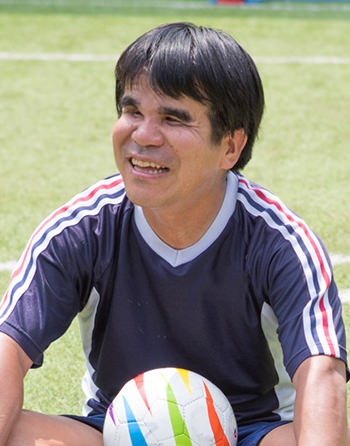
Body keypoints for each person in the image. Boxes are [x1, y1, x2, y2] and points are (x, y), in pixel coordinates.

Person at [0, 22, 348, 446]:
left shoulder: (281, 241)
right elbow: (7, 349)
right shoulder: (82, 228)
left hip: (252, 433)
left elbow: (322, 373)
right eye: (133, 112)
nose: (143, 136)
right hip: (112, 435)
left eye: (172, 118)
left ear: (230, 148)